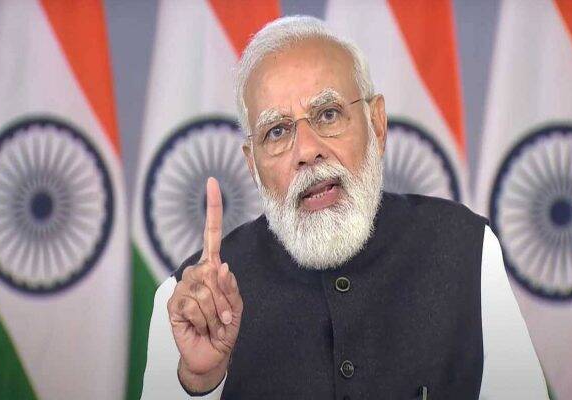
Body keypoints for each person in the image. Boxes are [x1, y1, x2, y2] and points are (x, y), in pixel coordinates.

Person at [141, 16, 548, 399]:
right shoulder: (195, 303)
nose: (307, 151)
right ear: (253, 165)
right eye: (277, 132)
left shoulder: (468, 249)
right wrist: (200, 382)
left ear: (377, 124)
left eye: (328, 114)